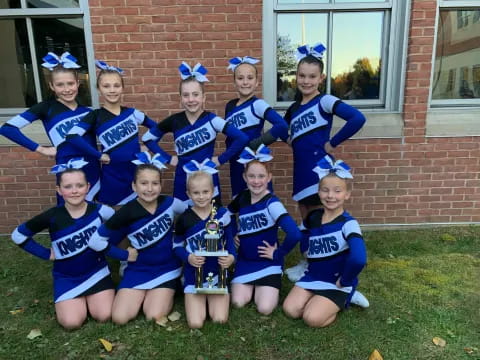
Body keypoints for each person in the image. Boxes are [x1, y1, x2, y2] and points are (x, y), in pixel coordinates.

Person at [283, 43, 367, 292]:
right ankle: (307, 262)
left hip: (319, 171)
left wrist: (333, 143)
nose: (306, 81)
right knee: (307, 219)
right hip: (300, 170)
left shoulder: (326, 101)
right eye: (301, 76)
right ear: (295, 77)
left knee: (323, 221)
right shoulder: (294, 108)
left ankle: (328, 266)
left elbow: (357, 118)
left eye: (312, 76)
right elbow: (281, 129)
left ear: (321, 78)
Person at [10, 159, 115, 329]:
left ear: (88, 187)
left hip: (97, 272)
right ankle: (78, 302)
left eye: (79, 186)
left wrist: (111, 246)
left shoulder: (102, 211)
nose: (74, 191)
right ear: (59, 190)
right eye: (68, 187)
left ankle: (93, 299)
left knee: (105, 315)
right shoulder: (52, 215)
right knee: (71, 323)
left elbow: (121, 227)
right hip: (67, 277)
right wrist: (46, 253)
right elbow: (18, 235)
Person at [88, 152, 186, 324]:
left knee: (153, 316)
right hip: (139, 268)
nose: (149, 188)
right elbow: (95, 241)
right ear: (134, 186)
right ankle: (146, 293)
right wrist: (124, 256)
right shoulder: (126, 211)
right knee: (120, 318)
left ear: (161, 185)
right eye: (144, 183)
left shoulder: (170, 203)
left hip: (166, 267)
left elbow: (195, 215)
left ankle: (173, 285)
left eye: (155, 183)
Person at [142, 62, 248, 206]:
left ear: (204, 97)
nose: (191, 99)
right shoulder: (174, 121)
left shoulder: (213, 120)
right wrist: (168, 158)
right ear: (180, 98)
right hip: (182, 178)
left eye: (196, 94)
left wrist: (221, 159)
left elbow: (242, 138)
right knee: (184, 221)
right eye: (186, 95)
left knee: (212, 221)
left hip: (208, 178)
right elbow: (147, 138)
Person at [0, 52, 100, 202]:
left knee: (94, 214)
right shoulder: (46, 108)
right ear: (52, 86)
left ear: (78, 83)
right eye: (60, 85)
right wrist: (41, 149)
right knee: (69, 215)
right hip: (67, 172)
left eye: (70, 83)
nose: (66, 89)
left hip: (93, 169)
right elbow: (7, 128)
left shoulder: (88, 112)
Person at [283, 155, 367, 327]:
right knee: (290, 310)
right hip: (313, 275)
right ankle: (320, 299)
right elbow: (303, 233)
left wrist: (345, 280)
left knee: (311, 318)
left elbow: (359, 259)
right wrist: (305, 249)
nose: (330, 196)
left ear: (347, 195)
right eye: (325, 190)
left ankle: (348, 295)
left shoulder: (349, 224)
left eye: (337, 191)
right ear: (318, 192)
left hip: (336, 281)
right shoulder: (313, 216)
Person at [66, 61, 158, 206]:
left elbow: (157, 128)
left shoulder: (132, 113)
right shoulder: (95, 115)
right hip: (112, 175)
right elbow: (72, 136)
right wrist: (98, 155)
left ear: (122, 88)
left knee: (138, 211)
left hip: (136, 172)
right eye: (106, 86)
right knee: (113, 214)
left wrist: (147, 146)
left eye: (116, 85)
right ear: (99, 89)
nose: (112, 90)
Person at [228, 146, 302, 315]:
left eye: (261, 176)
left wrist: (277, 253)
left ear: (269, 177)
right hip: (245, 261)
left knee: (265, 308)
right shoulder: (242, 197)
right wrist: (233, 233)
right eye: (251, 176)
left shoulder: (272, 204)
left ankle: (269, 281)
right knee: (238, 303)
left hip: (268, 263)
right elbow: (228, 214)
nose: (256, 181)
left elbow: (295, 234)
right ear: (244, 177)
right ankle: (251, 286)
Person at [174, 162, 236, 328]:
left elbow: (229, 240)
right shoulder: (184, 218)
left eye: (205, 192)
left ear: (213, 191)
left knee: (220, 320)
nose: (201, 196)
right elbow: (176, 246)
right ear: (188, 193)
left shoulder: (222, 214)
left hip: (218, 273)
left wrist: (231, 257)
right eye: (196, 193)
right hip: (194, 274)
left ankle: (217, 291)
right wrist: (188, 257)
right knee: (195, 323)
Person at [224, 56, 288, 197]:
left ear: (257, 82)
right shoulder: (229, 106)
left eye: (250, 78)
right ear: (234, 82)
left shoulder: (258, 104)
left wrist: (257, 143)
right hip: (235, 162)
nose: (245, 82)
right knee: (240, 202)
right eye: (240, 78)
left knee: (260, 202)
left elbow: (281, 125)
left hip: (254, 162)